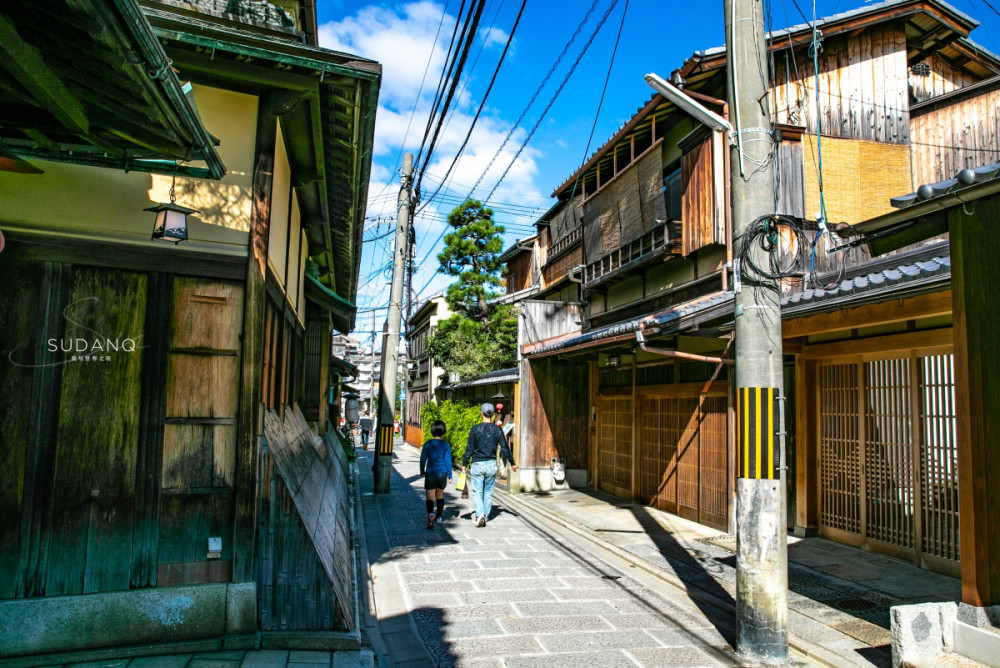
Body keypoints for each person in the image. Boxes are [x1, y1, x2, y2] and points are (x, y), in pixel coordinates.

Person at [462, 403, 517, 527]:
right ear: (492, 415)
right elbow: (505, 447)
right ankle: (485, 516)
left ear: (481, 413)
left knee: (477, 491)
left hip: (477, 463)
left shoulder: (475, 429)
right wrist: (512, 463)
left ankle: (480, 514)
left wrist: (464, 463)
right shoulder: (497, 430)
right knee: (488, 492)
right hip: (491, 464)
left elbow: (469, 448)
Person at [420, 420, 453, 529]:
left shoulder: (428, 444)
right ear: (443, 431)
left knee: (430, 497)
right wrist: (450, 475)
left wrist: (422, 471)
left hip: (431, 473)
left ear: (432, 430)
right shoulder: (446, 445)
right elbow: (448, 461)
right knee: (440, 495)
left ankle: (431, 514)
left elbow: (423, 459)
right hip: (442, 473)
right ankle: (439, 517)